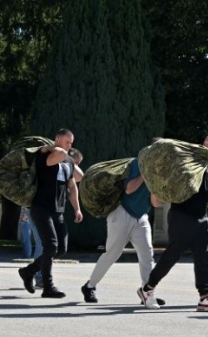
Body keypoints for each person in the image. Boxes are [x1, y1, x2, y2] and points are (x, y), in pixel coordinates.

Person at [137, 135, 208, 312]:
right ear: (206, 145)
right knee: (172, 256)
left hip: (202, 219)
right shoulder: (187, 165)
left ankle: (205, 298)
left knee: (203, 259)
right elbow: (163, 187)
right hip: (181, 217)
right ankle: (147, 289)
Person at [81, 154, 162, 305]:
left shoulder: (160, 171)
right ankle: (89, 286)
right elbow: (129, 189)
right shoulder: (136, 164)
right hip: (122, 213)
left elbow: (156, 203)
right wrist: (146, 173)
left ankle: (147, 292)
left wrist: (157, 185)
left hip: (141, 217)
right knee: (112, 253)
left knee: (147, 254)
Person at [18, 129, 83, 298]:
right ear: (57, 139)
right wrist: (50, 148)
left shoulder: (68, 161)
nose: (70, 146)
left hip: (58, 209)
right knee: (51, 246)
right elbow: (60, 153)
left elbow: (72, 185)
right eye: (67, 142)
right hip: (41, 207)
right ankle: (48, 287)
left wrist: (77, 208)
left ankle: (29, 271)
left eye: (72, 143)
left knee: (61, 248)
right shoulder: (47, 156)